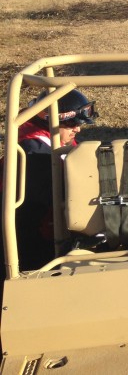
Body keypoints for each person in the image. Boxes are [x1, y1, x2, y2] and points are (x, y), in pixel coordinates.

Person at [4, 89, 97, 270]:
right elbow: (60, 195)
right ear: (50, 120)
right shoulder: (34, 151)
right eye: (71, 124)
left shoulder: (54, 142)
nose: (77, 129)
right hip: (32, 243)